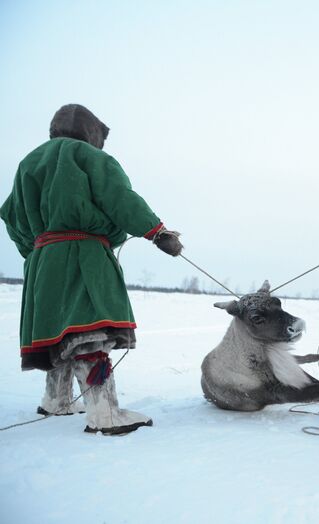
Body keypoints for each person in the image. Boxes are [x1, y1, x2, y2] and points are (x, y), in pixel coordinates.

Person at [0, 104, 183, 435]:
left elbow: (11, 214)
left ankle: (56, 400)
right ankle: (104, 414)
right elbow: (119, 198)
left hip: (43, 257)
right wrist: (157, 231)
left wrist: (38, 252)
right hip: (83, 253)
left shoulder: (28, 163)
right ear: (92, 133)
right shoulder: (91, 158)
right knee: (88, 332)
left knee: (61, 329)